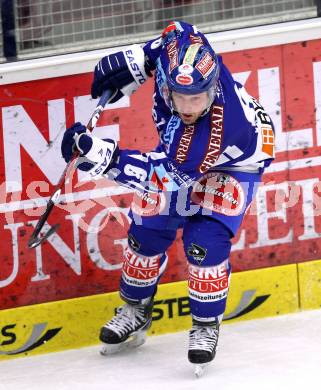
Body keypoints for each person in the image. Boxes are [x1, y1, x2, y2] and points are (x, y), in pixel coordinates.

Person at [61, 20, 275, 375]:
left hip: (237, 160)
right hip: (181, 154)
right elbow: (177, 29)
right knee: (147, 229)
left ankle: (206, 325)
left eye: (199, 98)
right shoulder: (184, 50)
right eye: (182, 97)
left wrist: (98, 155)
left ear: (211, 90)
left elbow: (162, 178)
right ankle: (135, 309)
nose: (191, 106)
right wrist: (136, 62)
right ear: (166, 84)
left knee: (203, 241)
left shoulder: (215, 129)